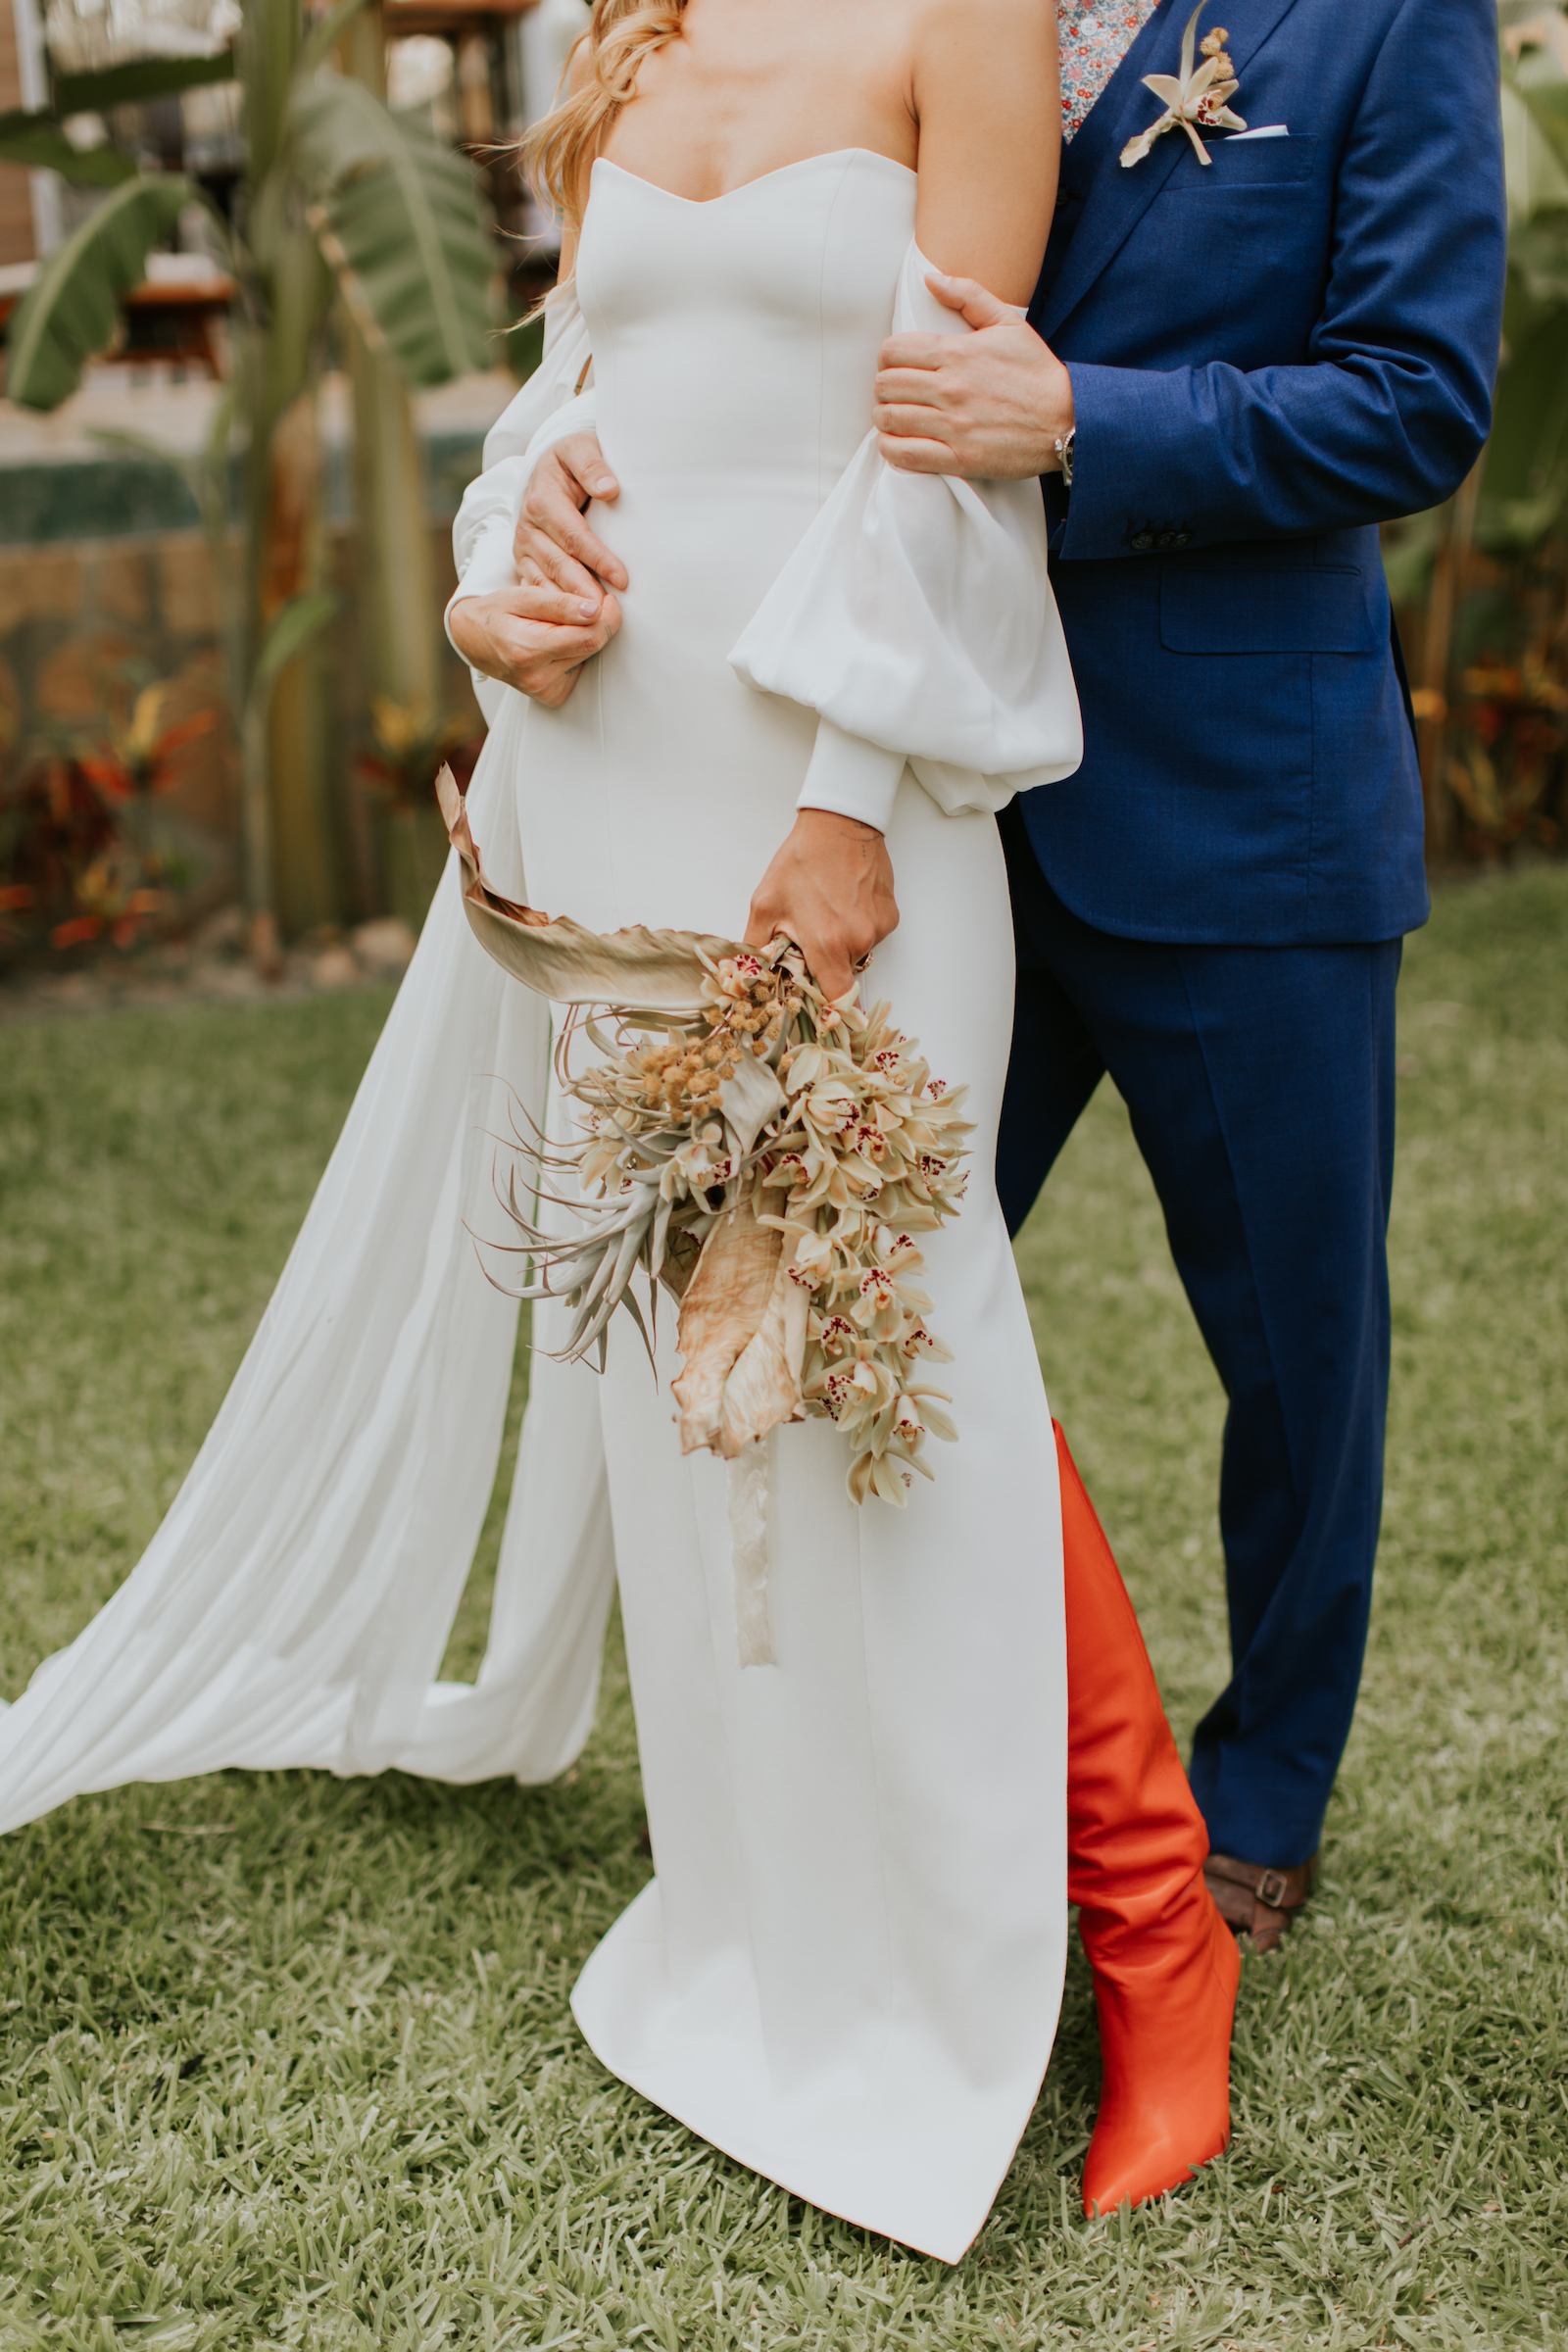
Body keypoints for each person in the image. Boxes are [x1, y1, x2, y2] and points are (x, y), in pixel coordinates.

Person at [0, 0, 1237, 2267]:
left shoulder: (970, 20)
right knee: (699, 1403)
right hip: (604, 782)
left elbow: (951, 442)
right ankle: (776, 1930)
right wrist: (500, 580)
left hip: (824, 804)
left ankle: (1154, 1947)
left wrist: (851, 810)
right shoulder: (621, 22)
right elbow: (580, 396)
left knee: (887, 1338)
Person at [494, 0, 1508, 1951]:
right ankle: (882, 1778)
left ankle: (1250, 1809)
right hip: (922, 826)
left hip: (1234, 808)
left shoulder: (1382, 18)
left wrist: (1078, 424)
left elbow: (1411, 395)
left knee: (1295, 1361)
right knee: (832, 1285)